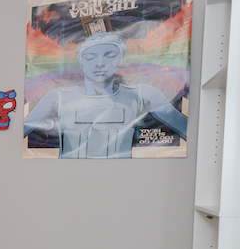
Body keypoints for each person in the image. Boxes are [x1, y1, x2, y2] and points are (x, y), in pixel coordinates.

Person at [22, 31, 187, 158]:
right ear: (80, 61)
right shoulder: (56, 97)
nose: (99, 63)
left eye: (109, 55)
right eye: (90, 57)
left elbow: (190, 131)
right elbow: (17, 133)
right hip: (69, 180)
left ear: (120, 59)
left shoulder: (145, 94)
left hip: (120, 182)